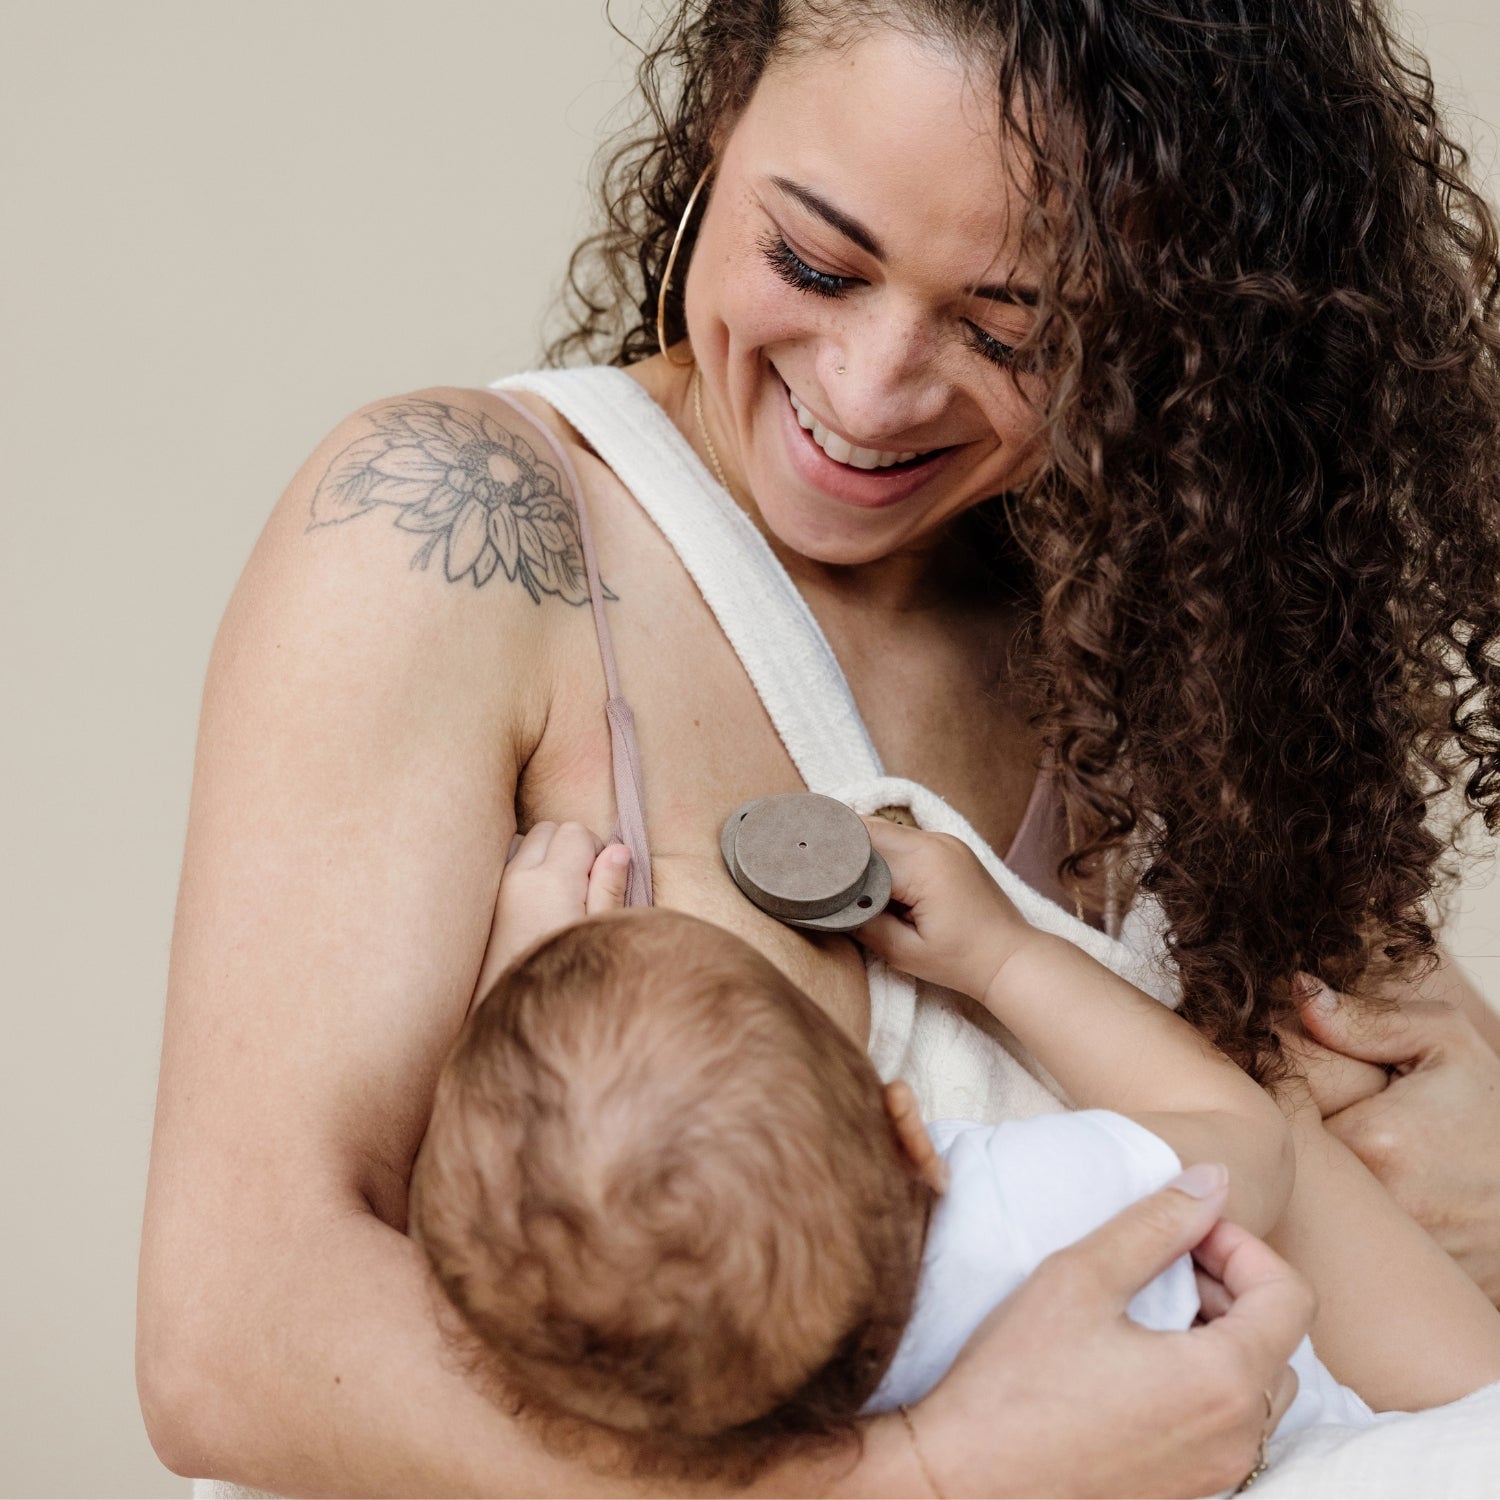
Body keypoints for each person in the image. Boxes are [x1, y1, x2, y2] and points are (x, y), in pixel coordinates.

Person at [136, 1, 1500, 1495]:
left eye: (1011, 333)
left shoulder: (1191, 647)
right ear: (724, 113)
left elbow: (1395, 1262)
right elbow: (234, 1336)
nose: (867, 395)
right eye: (812, 263)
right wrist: (920, 1476)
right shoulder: (460, 533)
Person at [405, 819, 1500, 1486]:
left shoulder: (693, 1415)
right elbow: (1245, 1143)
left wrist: (516, 996)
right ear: (906, 1130)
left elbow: (513, 1251)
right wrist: (1003, 958)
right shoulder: (1030, 1209)